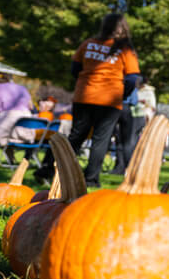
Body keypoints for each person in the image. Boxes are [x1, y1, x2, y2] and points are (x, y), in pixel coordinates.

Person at [36, 13, 141, 186]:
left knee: (76, 136)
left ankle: (53, 169)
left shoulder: (88, 43)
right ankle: (90, 179)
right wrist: (121, 94)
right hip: (110, 100)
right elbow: (131, 78)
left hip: (84, 96)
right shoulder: (126, 49)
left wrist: (88, 82)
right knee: (101, 139)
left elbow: (75, 68)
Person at [0, 73, 38, 163]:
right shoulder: (22, 88)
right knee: (5, 136)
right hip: (26, 127)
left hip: (7, 122)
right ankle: (11, 161)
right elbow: (31, 106)